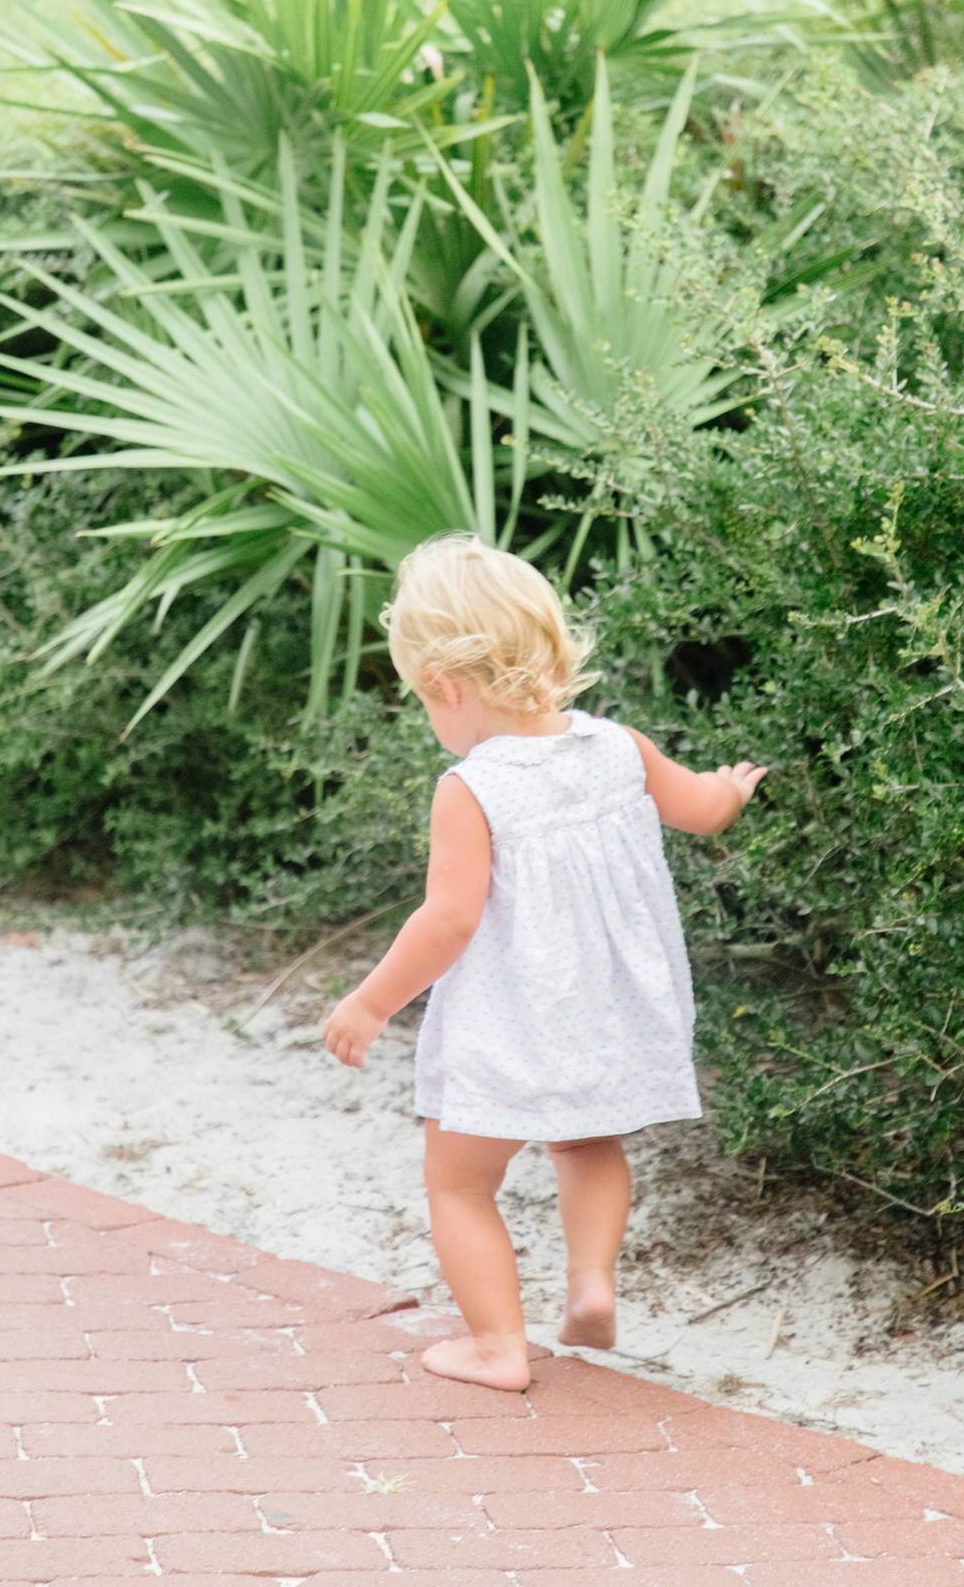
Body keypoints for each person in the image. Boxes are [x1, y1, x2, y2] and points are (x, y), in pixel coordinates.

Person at [322, 531, 767, 1392]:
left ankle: (497, 1347)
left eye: (423, 700)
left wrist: (372, 1003)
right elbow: (704, 811)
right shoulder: (618, 747)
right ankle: (592, 1285)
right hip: (604, 1013)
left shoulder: (472, 788)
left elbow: (448, 920)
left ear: (446, 686)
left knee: (459, 1185)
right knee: (588, 1141)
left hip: (508, 1020)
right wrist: (733, 787)